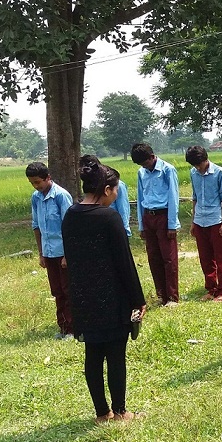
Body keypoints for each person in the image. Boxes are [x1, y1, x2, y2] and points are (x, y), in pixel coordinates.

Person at [63, 157, 147, 424]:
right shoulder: (108, 217)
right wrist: (138, 299)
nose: (117, 193)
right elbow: (124, 262)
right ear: (107, 189)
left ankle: (101, 413)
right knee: (115, 355)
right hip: (112, 298)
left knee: (93, 355)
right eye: (116, 188)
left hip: (83, 297)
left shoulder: (70, 216)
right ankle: (121, 411)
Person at [26, 161, 74, 339]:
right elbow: (36, 226)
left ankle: (72, 328)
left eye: (38, 182)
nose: (36, 186)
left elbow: (69, 227)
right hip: (48, 251)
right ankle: (62, 327)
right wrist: (41, 253)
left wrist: (67, 254)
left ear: (48, 178)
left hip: (63, 252)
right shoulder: (35, 198)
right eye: (32, 183)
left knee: (68, 290)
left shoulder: (61, 196)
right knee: (57, 291)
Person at [132, 142, 181, 306]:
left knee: (169, 258)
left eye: (146, 163)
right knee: (153, 257)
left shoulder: (167, 170)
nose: (144, 166)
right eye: (141, 165)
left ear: (152, 157)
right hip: (148, 217)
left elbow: (173, 197)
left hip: (164, 216)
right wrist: (141, 225)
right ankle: (161, 294)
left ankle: (172, 296)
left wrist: (172, 224)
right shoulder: (141, 172)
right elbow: (140, 198)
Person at [186, 145, 222, 301]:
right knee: (205, 258)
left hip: (216, 220)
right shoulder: (193, 173)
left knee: (221, 258)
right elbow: (195, 197)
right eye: (194, 165)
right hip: (200, 220)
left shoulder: (220, 173)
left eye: (199, 164)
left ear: (205, 159)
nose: (198, 168)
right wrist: (193, 221)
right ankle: (211, 289)